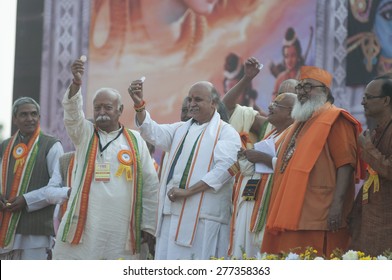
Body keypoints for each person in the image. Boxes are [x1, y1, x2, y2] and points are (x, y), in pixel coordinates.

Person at [52, 58, 159, 260]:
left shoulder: (136, 140)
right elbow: (73, 115)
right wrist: (76, 84)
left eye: (107, 108)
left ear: (119, 110)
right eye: (97, 108)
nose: (101, 112)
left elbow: (150, 184)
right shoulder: (85, 134)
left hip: (121, 227)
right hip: (86, 225)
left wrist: (148, 225)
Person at [129, 78, 241, 260]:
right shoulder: (180, 129)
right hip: (171, 213)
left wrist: (188, 192)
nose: (191, 104)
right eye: (190, 99)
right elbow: (152, 131)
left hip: (204, 218)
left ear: (213, 103)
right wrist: (139, 104)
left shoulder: (226, 132)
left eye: (198, 99)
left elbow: (224, 171)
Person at [261, 66, 364, 257]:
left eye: (308, 87)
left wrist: (337, 206)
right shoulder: (300, 122)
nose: (301, 92)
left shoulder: (335, 118)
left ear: (324, 91)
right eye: (299, 87)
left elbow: (346, 165)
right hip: (291, 210)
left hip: (319, 213)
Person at [222, 57, 297, 257]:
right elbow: (225, 108)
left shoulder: (301, 134)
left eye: (284, 100)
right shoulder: (267, 127)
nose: (274, 104)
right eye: (278, 97)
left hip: (272, 208)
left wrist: (261, 157)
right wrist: (246, 79)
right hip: (249, 200)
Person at [0, 97, 64, 260]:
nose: (30, 119)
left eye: (34, 114)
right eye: (23, 115)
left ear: (39, 117)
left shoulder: (51, 145)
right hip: (5, 227)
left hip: (36, 231)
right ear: (15, 119)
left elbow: (58, 186)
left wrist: (27, 200)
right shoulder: (5, 146)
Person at [348, 74, 392, 256]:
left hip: (385, 220)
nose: (363, 102)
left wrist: (367, 148)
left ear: (386, 100)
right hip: (372, 216)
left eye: (368, 97)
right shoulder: (378, 129)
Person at [270, 27, 305, 99]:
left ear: (298, 55)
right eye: (286, 56)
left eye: (293, 55)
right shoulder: (280, 79)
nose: (289, 60)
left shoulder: (305, 77)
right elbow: (273, 105)